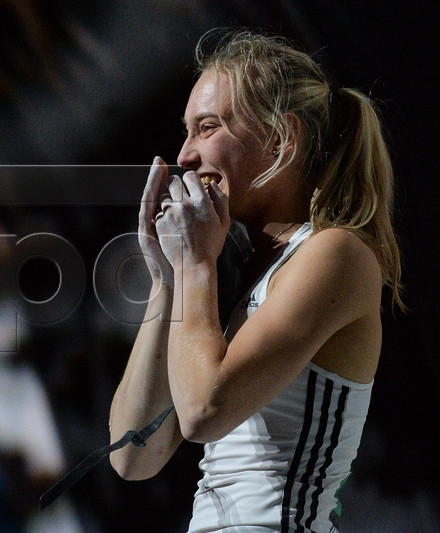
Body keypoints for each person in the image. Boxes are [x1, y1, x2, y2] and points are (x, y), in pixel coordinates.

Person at [108, 28, 403, 532]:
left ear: (280, 139)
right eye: (186, 131)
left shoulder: (337, 254)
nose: (185, 155)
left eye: (207, 127)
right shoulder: (241, 270)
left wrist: (195, 265)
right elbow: (132, 456)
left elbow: (204, 411)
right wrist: (168, 281)